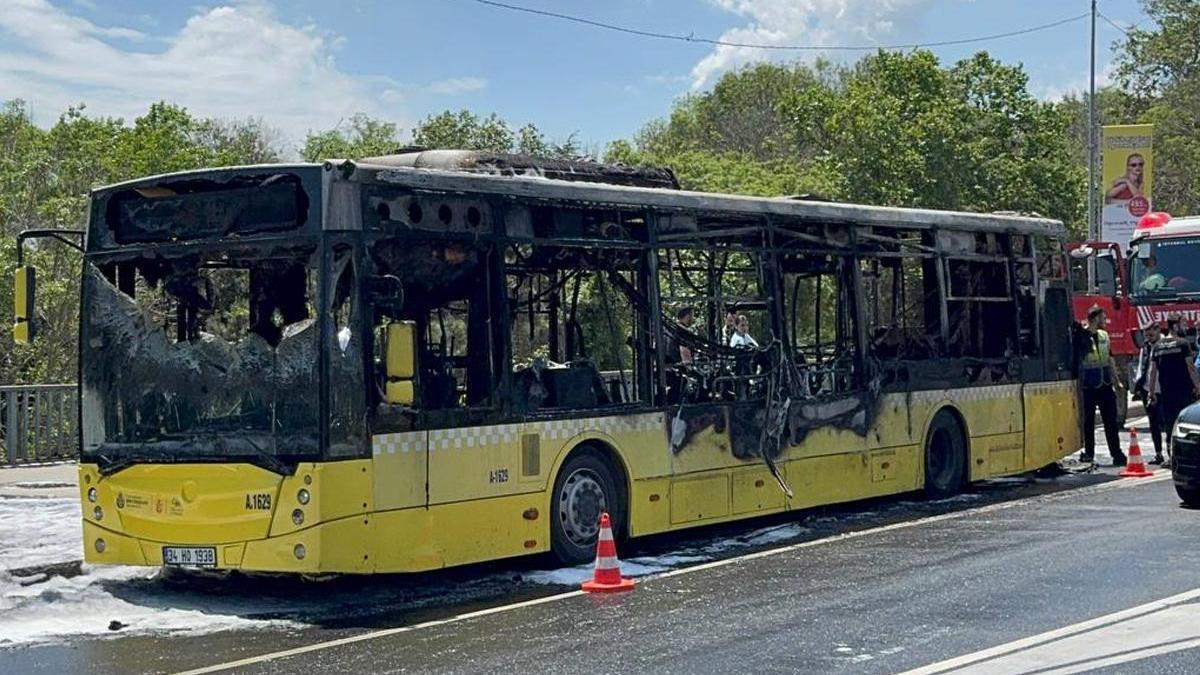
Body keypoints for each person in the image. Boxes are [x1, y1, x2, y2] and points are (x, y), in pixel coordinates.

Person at [1078, 305, 1127, 466]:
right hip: (1088, 386)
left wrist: (1116, 380)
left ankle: (1116, 453)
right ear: (1095, 318)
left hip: (1105, 384)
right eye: (1102, 317)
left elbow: (1110, 359)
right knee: (1088, 421)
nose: (1105, 320)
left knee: (1110, 421)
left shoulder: (1104, 335)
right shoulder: (1081, 336)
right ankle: (1089, 453)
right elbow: (1077, 362)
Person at [1147, 315, 1200, 460]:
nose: (1185, 327)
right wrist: (1198, 386)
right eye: (1182, 324)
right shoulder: (1183, 344)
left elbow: (1152, 371)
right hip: (1184, 392)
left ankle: (1172, 456)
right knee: (1187, 424)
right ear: (1175, 326)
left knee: (1170, 424)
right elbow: (1190, 367)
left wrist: (1151, 392)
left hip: (1166, 393)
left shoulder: (1158, 346)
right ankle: (1188, 454)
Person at [1133, 322, 1165, 464]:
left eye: (1151, 333)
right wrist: (1139, 386)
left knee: (1168, 423)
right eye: (1146, 334)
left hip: (1164, 389)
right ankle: (1158, 453)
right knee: (1153, 424)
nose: (1148, 337)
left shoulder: (1166, 344)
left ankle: (1171, 453)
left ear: (1157, 330)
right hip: (1148, 390)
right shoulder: (1145, 346)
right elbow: (1142, 366)